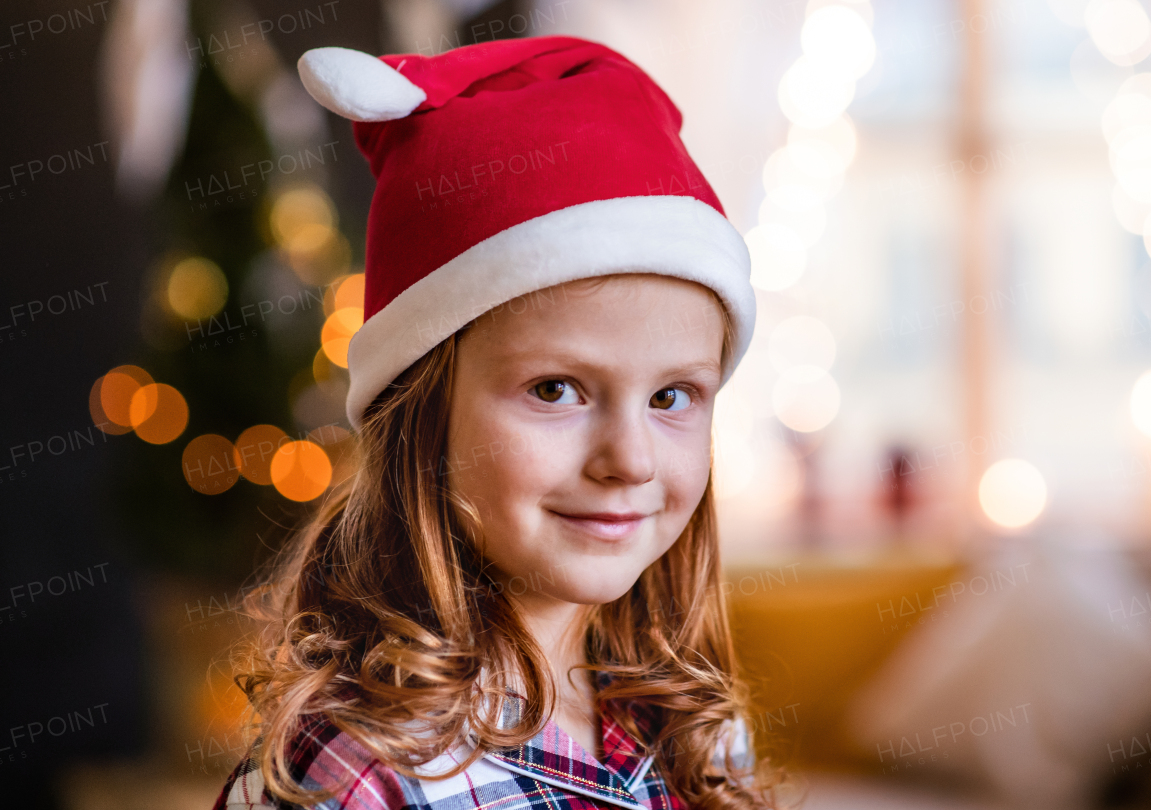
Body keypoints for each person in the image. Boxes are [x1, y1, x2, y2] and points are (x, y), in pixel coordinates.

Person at [214, 35, 776, 810]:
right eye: (555, 389)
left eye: (672, 397)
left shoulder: (697, 728)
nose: (632, 460)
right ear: (420, 414)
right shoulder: (354, 776)